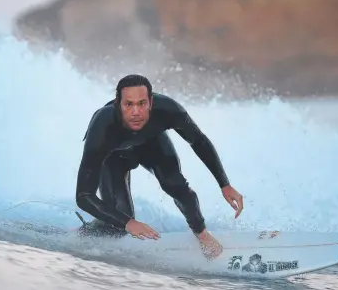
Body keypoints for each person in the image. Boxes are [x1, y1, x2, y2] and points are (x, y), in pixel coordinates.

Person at [75, 74, 244, 259]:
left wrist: (224, 184)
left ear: (151, 102)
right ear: (118, 104)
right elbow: (83, 196)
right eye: (128, 104)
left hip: (152, 146)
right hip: (114, 157)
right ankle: (85, 234)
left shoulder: (168, 110)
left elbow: (199, 141)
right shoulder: (102, 126)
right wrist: (128, 223)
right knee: (119, 221)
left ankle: (203, 235)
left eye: (142, 103)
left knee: (177, 186)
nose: (136, 112)